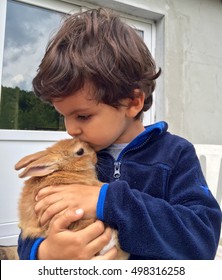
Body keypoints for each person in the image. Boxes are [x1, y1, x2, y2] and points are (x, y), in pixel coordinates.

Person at [17, 8, 221, 260]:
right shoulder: (72, 163)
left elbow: (202, 239)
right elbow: (29, 229)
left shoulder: (176, 155)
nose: (70, 129)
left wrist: (106, 200)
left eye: (83, 116)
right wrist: (44, 253)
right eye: (64, 116)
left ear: (133, 102)